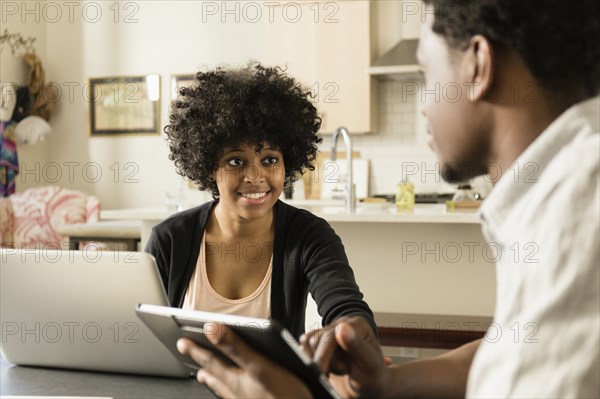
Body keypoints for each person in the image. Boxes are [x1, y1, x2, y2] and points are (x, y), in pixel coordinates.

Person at [177, 0, 600, 397]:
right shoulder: (561, 189)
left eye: (425, 76)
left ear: (478, 65)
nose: (422, 106)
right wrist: (387, 383)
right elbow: (512, 352)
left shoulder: (579, 207)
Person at [145, 62, 376, 340]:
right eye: (235, 161)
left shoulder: (308, 235)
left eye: (269, 160)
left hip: (273, 384)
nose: (255, 176)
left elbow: (347, 308)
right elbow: (143, 332)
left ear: (286, 162)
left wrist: (346, 335)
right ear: (209, 166)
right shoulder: (170, 239)